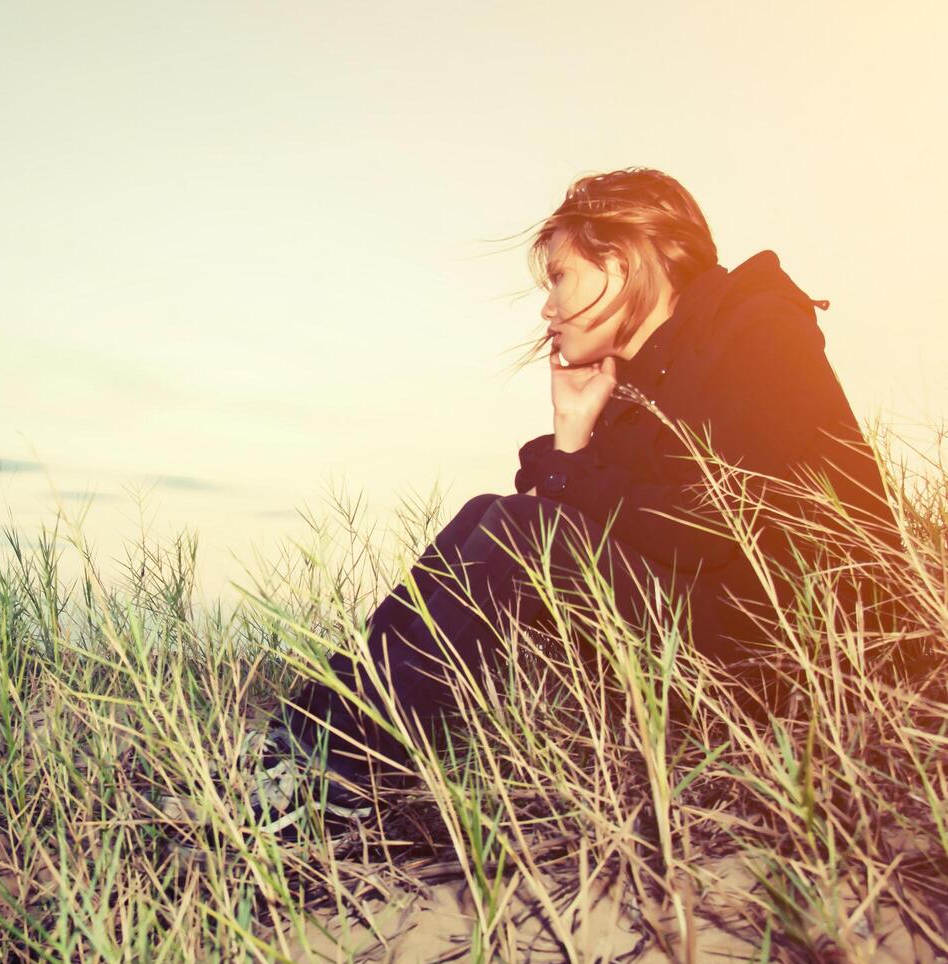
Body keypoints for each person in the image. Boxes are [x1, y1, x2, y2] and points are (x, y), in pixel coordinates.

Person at [147, 167, 898, 838]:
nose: (547, 308)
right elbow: (575, 531)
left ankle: (349, 783)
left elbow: (740, 516)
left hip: (814, 660)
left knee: (517, 528)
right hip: (717, 633)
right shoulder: (645, 385)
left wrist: (571, 470)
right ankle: (312, 739)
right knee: (487, 514)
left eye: (561, 277)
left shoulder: (757, 326)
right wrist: (572, 438)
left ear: (626, 261)